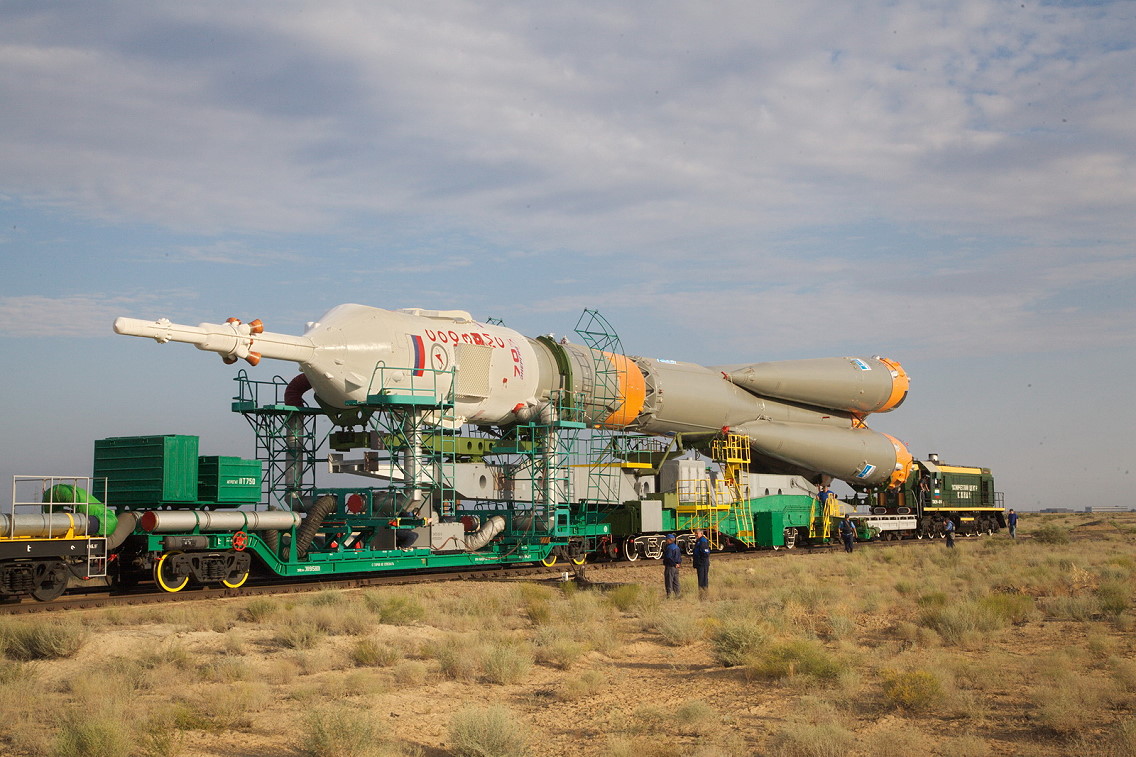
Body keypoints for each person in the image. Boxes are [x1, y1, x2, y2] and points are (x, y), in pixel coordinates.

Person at [692, 528, 711, 598]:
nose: (696, 535)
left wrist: (701, 560)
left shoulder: (703, 541)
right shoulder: (699, 541)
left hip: (703, 564)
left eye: (697, 533)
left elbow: (705, 553)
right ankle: (702, 594)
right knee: (701, 580)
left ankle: (704, 595)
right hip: (700, 563)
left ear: (701, 533)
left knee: (703, 580)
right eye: (695, 533)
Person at [662, 533, 681, 598]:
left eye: (666, 540)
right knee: (676, 581)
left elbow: (669, 558)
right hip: (676, 567)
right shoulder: (676, 547)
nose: (666, 541)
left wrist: (674, 564)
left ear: (669, 540)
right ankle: (677, 595)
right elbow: (679, 557)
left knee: (669, 581)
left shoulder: (669, 548)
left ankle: (669, 595)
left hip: (670, 567)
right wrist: (678, 564)